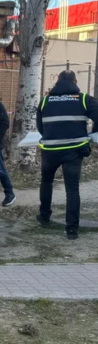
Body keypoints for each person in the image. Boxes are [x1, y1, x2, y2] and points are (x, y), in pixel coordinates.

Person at [36, 70, 98, 240]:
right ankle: (72, 229)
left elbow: (40, 127)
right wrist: (93, 132)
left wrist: (51, 137)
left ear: (57, 81)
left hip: (50, 150)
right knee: (72, 188)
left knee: (46, 181)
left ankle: (44, 215)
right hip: (74, 150)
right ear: (75, 82)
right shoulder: (84, 99)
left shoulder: (45, 100)